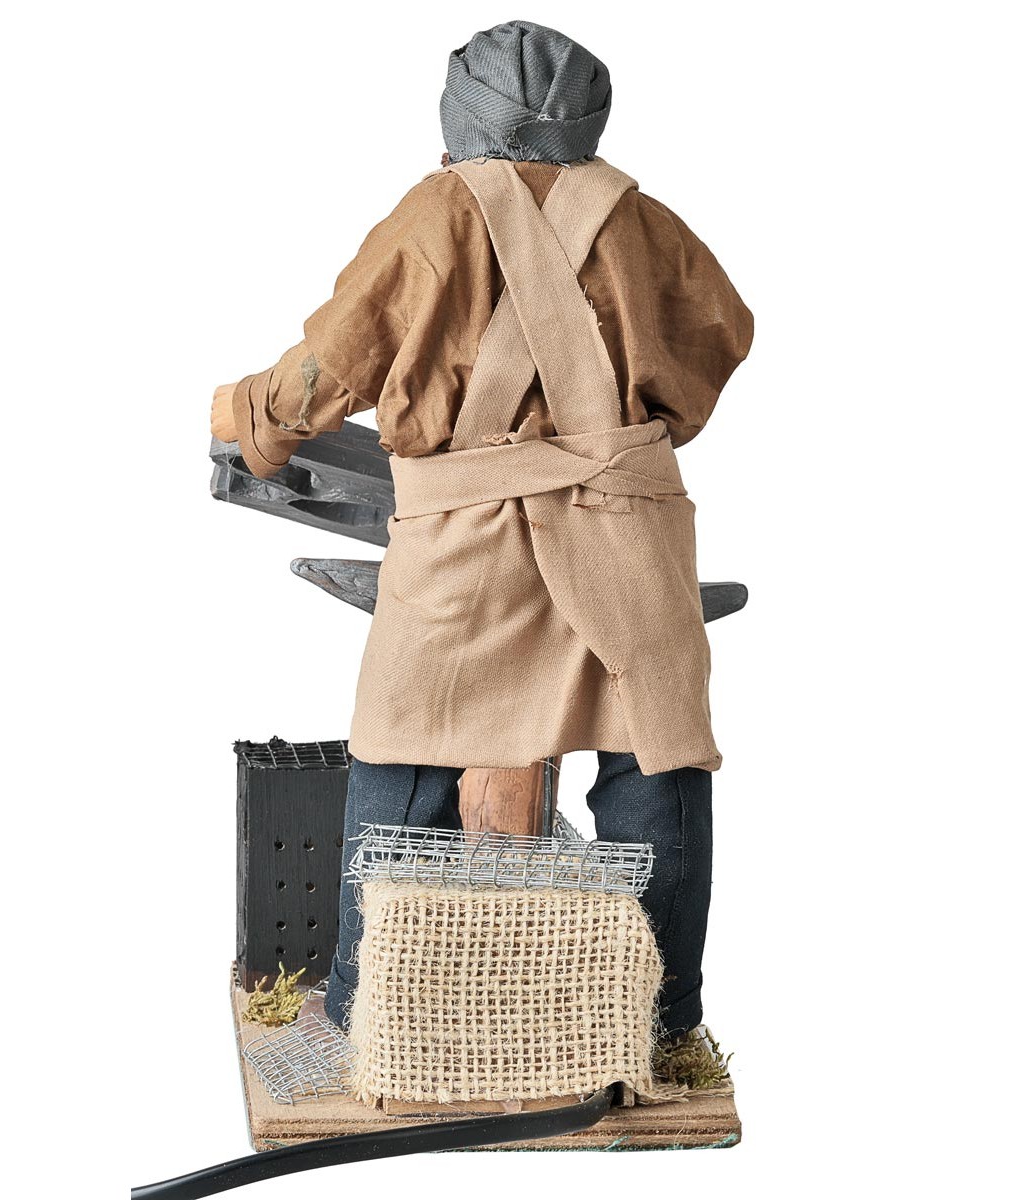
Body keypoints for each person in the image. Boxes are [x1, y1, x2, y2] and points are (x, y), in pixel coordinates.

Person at [211, 20, 753, 1077]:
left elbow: (332, 362)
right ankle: (663, 1023)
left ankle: (366, 1005)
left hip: (467, 540)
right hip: (631, 531)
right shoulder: (647, 223)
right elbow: (721, 334)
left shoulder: (436, 212)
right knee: (653, 755)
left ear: (459, 122)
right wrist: (624, 432)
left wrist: (252, 421)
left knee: (408, 740)